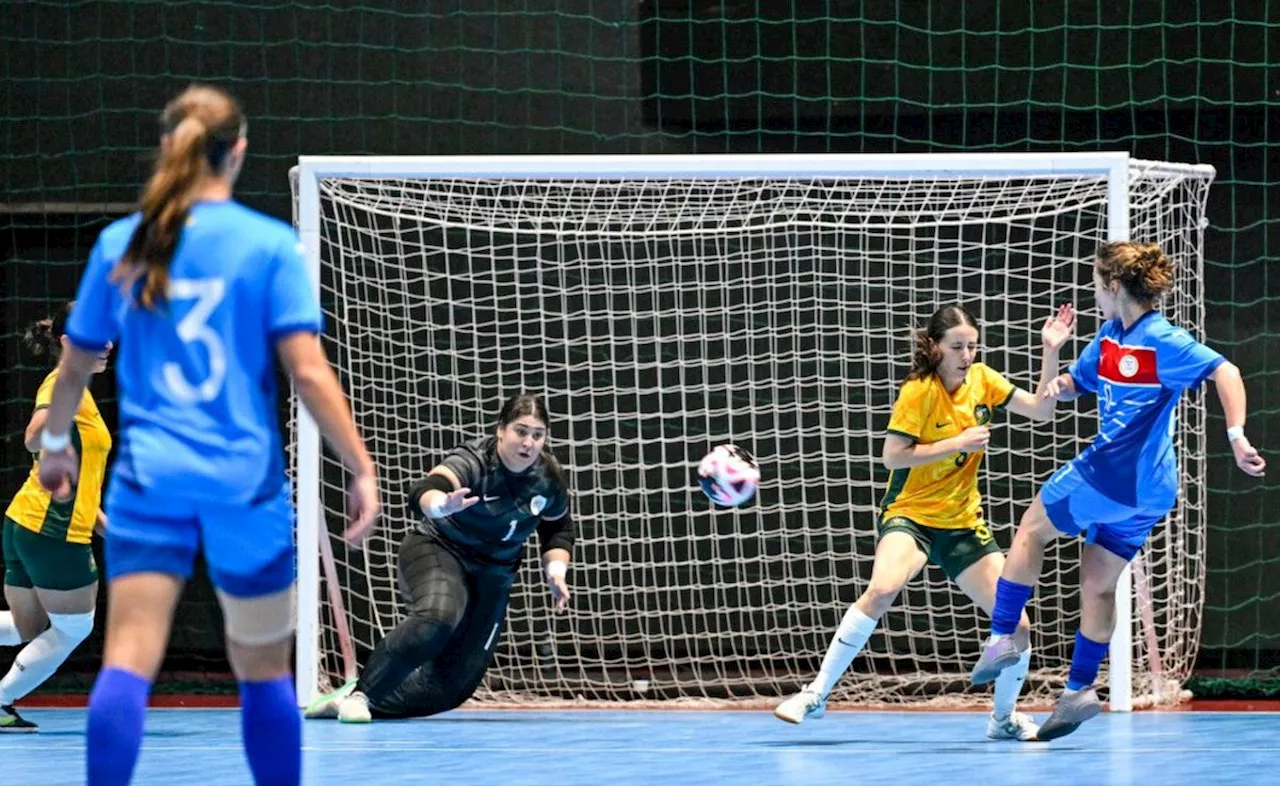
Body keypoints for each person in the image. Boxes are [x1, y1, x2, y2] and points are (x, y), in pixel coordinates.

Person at [35, 84, 381, 785]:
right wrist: (360, 465)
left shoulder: (119, 244)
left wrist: (53, 446)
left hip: (150, 480)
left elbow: (73, 367)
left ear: (168, 147)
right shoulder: (268, 245)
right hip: (243, 484)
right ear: (239, 152)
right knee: (261, 671)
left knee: (128, 658)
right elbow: (309, 374)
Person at [970, 241, 1266, 740]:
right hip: (1152, 490)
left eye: (1095, 286)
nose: (1093, 296)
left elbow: (1226, 371)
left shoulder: (1163, 339)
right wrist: (1052, 353)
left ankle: (1003, 638)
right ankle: (1079, 690)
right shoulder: (1108, 339)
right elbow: (1063, 389)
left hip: (1111, 473)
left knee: (1030, 530)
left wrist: (1237, 437)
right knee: (1097, 582)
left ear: (1112, 286)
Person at [775, 302, 1076, 741]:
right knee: (881, 590)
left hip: (961, 523)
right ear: (934, 347)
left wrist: (1050, 352)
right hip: (911, 516)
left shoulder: (983, 380)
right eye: (957, 346)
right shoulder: (918, 391)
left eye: (972, 346)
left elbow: (1041, 410)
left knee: (1018, 624)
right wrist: (958, 441)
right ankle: (815, 694)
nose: (966, 354)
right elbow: (892, 456)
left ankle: (1003, 719)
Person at [305, 393, 574, 723]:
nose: (529, 442)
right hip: (439, 549)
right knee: (438, 617)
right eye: (521, 431)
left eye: (537, 434)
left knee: (454, 686)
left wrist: (556, 570)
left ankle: (355, 699)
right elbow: (425, 490)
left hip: (494, 575)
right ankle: (362, 694)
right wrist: (443, 504)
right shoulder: (474, 460)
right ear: (501, 430)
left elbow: (557, 528)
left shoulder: (548, 478)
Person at [0, 305, 110, 732]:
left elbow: (78, 474)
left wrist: (103, 525)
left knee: (30, 626)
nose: (106, 343)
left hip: (24, 522)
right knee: (73, 629)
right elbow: (33, 436)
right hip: (52, 531)